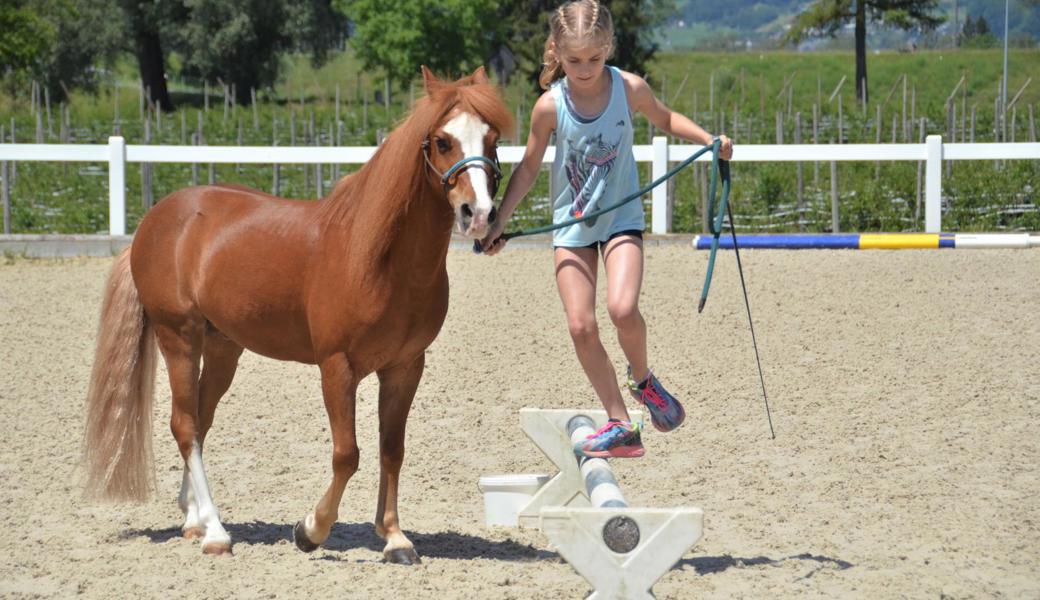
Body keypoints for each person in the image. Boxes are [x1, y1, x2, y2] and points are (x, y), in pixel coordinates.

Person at [480, 0, 733, 458]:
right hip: (572, 227)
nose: (584, 68)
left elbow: (665, 118)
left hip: (621, 221)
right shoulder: (549, 106)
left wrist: (709, 141)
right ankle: (620, 424)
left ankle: (643, 380)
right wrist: (499, 221)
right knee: (580, 325)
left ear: (609, 48)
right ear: (556, 50)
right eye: (573, 60)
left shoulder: (628, 88)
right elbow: (530, 167)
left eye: (594, 59)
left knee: (621, 308)